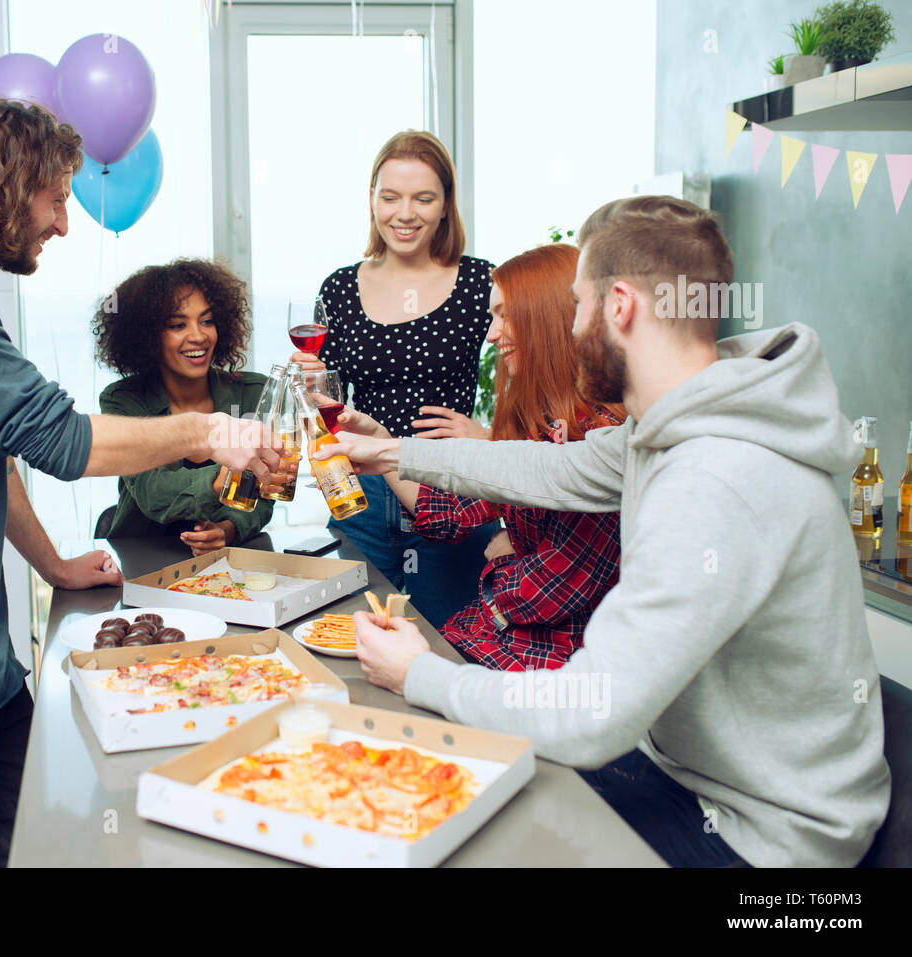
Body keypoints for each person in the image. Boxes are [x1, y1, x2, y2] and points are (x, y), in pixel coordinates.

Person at [319, 195, 890, 867]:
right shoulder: (671, 427)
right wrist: (388, 453)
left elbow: (591, 714)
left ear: (619, 306)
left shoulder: (716, 477)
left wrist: (422, 673)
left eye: (579, 304)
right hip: (676, 773)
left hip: (761, 836)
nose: (572, 323)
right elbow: (546, 468)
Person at [0, 100, 280, 868]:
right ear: (8, 187)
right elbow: (60, 440)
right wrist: (213, 433)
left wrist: (55, 567)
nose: (64, 223)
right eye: (57, 198)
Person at [337, 243, 624, 671]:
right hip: (504, 632)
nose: (491, 334)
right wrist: (381, 440)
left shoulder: (603, 432)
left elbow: (559, 584)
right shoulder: (537, 422)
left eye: (505, 315)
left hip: (553, 659)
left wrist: (505, 559)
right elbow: (451, 514)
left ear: (547, 315)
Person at [289, 130, 498, 629]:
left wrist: (489, 436)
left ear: (445, 206)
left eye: (424, 198)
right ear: (372, 201)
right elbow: (327, 403)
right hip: (363, 487)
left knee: (447, 640)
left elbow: (531, 379)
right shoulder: (339, 287)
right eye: (391, 197)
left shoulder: (479, 282)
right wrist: (312, 384)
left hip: (448, 486)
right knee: (351, 633)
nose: (405, 214)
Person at [95, 259, 284, 555]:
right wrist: (220, 481)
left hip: (227, 565)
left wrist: (227, 529)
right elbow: (151, 493)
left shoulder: (253, 393)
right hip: (142, 561)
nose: (198, 336)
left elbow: (264, 495)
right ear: (147, 336)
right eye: (177, 325)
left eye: (207, 321)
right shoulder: (123, 400)